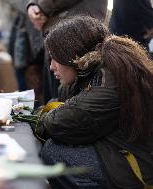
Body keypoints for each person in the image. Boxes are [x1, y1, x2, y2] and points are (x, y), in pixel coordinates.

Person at [35, 16, 153, 189]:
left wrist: (39, 119)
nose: (52, 66)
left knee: (56, 152)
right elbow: (61, 103)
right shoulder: (88, 73)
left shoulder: (110, 79)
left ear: (71, 55)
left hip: (138, 165)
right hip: (122, 150)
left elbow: (62, 122)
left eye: (55, 58)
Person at [26, 0, 108, 104]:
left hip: (74, 35)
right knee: (58, 99)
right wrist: (33, 5)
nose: (52, 67)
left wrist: (40, 7)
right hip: (59, 32)